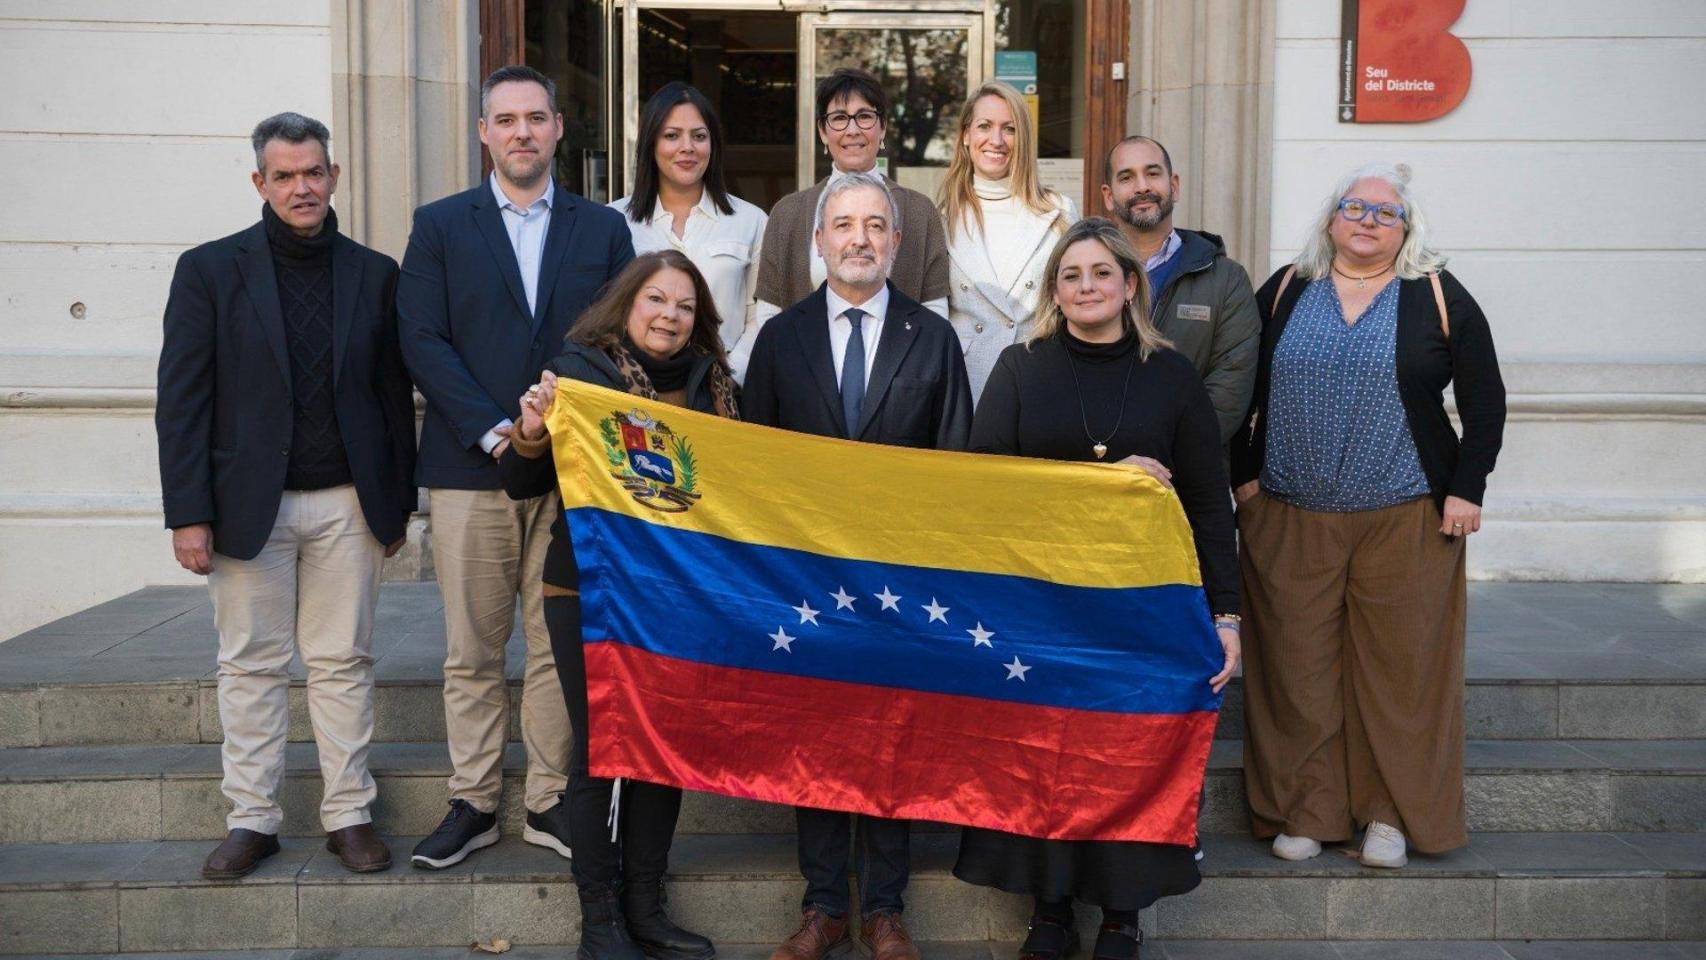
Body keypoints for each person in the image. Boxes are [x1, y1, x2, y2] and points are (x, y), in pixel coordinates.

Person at [952, 217, 1240, 960]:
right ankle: (1049, 910)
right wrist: (1102, 482)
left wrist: (1227, 616)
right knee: (1048, 756)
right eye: (1071, 276)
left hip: (1143, 610)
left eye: (1101, 274)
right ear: (1055, 290)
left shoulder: (1172, 375)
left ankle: (1121, 914)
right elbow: (987, 488)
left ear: (1130, 285)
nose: (1086, 287)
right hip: (1044, 606)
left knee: (1124, 756)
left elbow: (1209, 503)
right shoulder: (1022, 368)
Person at [156, 111, 415, 879]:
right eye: (285, 175)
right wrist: (188, 513)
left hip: (346, 503)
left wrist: (394, 503)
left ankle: (348, 815)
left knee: (343, 663)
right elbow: (183, 400)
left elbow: (393, 397)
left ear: (334, 175)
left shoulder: (375, 272)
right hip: (244, 506)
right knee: (251, 666)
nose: (302, 187)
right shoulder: (208, 270)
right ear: (259, 183)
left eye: (313, 172)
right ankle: (254, 820)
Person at [1230, 162, 1506, 870]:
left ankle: (1389, 817)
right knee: (1297, 669)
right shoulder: (1288, 290)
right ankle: (1308, 811)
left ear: (1406, 229)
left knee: (1401, 672)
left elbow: (1485, 400)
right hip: (1291, 513)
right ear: (1330, 220)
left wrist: (1466, 488)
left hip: (1407, 514)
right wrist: (1244, 481)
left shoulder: (1437, 296)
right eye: (1355, 207)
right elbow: (1234, 386)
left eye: (1386, 213)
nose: (1368, 220)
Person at [398, 64, 636, 869]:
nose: (522, 132)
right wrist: (499, 430)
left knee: (552, 641)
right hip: (473, 468)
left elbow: (615, 340)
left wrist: (558, 429)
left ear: (559, 127)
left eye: (536, 117)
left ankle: (545, 800)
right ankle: (471, 801)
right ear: (483, 133)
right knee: (472, 646)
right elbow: (421, 340)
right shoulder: (439, 225)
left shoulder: (601, 230)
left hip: (571, 472)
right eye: (506, 120)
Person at [743, 172, 973, 960]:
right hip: (805, 586)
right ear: (819, 240)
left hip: (901, 585)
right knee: (813, 741)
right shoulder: (781, 340)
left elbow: (955, 463)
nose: (860, 238)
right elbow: (757, 466)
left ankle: (884, 911)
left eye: (876, 224)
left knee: (890, 742)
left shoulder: (932, 339)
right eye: (844, 224)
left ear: (898, 243)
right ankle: (823, 908)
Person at [505, 250, 732, 960]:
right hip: (588, 589)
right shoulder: (578, 375)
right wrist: (533, 430)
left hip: (676, 598)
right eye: (656, 300)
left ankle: (646, 907)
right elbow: (520, 479)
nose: (668, 316)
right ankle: (598, 920)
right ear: (628, 304)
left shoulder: (715, 384)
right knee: (604, 751)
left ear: (699, 321)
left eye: (684, 306)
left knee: (661, 753)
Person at [745, 67, 950, 379]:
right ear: (823, 132)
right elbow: (769, 316)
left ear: (882, 128)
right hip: (803, 387)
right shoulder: (787, 213)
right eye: (839, 118)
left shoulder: (920, 212)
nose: (852, 129)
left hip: (898, 387)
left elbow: (935, 313)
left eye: (865, 116)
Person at [1102, 136, 1259, 442]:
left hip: (1187, 475)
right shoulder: (1083, 278)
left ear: (1173, 185)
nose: (1142, 186)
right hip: (1101, 468)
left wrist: (1163, 452)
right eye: (1126, 177)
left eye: (1153, 173)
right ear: (1109, 196)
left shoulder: (1226, 280)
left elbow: (1229, 389)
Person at [610, 82, 767, 382]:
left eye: (699, 136)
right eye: (671, 136)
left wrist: (730, 375)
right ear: (651, 144)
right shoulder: (614, 220)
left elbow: (761, 315)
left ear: (713, 144)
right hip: (635, 392)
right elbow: (604, 314)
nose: (687, 148)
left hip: (725, 391)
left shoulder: (751, 220)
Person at [939, 81, 1078, 404]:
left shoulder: (1059, 211)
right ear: (965, 136)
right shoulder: (941, 218)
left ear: (1023, 139)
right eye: (985, 126)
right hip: (965, 385)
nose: (996, 140)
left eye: (1009, 129)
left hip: (1039, 382)